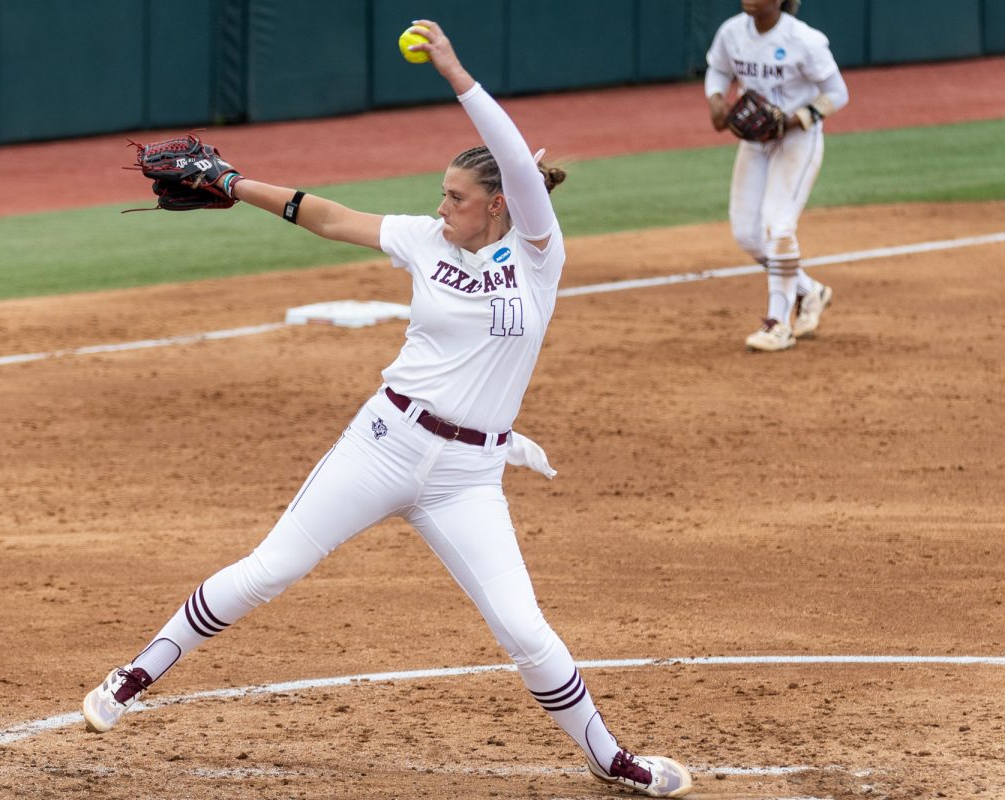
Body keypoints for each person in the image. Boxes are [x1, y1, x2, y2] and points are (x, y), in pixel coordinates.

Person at [83, 19, 693, 799]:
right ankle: (132, 676)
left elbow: (510, 155)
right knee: (273, 567)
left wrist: (455, 73)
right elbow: (329, 215)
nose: (441, 206)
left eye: (457, 197)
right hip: (382, 441)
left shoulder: (538, 257)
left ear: (501, 205)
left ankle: (613, 759)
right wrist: (236, 186)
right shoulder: (423, 240)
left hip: (467, 478)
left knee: (523, 630)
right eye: (441, 193)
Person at [705, 0, 849, 351]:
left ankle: (778, 323)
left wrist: (793, 119)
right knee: (748, 235)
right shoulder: (732, 32)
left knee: (778, 226)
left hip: (797, 141)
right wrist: (716, 100)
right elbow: (718, 70)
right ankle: (809, 291)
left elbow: (838, 93)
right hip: (755, 143)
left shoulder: (805, 40)